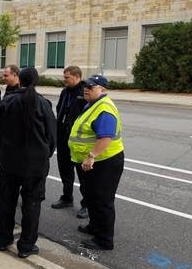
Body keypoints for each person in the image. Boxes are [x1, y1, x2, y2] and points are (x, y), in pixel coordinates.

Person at [0, 67, 56, 258]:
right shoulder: (43, 104)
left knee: (6, 201)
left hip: (10, 163)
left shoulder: (8, 102)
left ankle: (3, 240)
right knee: (32, 204)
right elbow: (52, 136)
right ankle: (26, 245)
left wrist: (0, 157)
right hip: (35, 164)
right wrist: (45, 155)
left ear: (19, 79)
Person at [68, 75, 124, 250]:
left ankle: (104, 240)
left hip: (103, 162)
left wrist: (91, 156)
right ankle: (94, 226)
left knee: (102, 200)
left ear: (103, 90)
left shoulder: (104, 108)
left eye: (91, 87)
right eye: (86, 86)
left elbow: (106, 136)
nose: (86, 89)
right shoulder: (92, 104)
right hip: (90, 162)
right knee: (91, 196)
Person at [51, 66, 88, 218]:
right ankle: (67, 198)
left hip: (77, 141)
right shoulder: (65, 92)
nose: (64, 80)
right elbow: (60, 110)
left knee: (82, 175)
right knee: (65, 171)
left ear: (77, 77)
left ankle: (86, 204)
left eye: (67, 77)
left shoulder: (85, 92)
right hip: (63, 138)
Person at [0, 65, 20, 153]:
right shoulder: (3, 90)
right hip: (2, 132)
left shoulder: (23, 90)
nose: (3, 78)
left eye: (6, 75)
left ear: (15, 75)